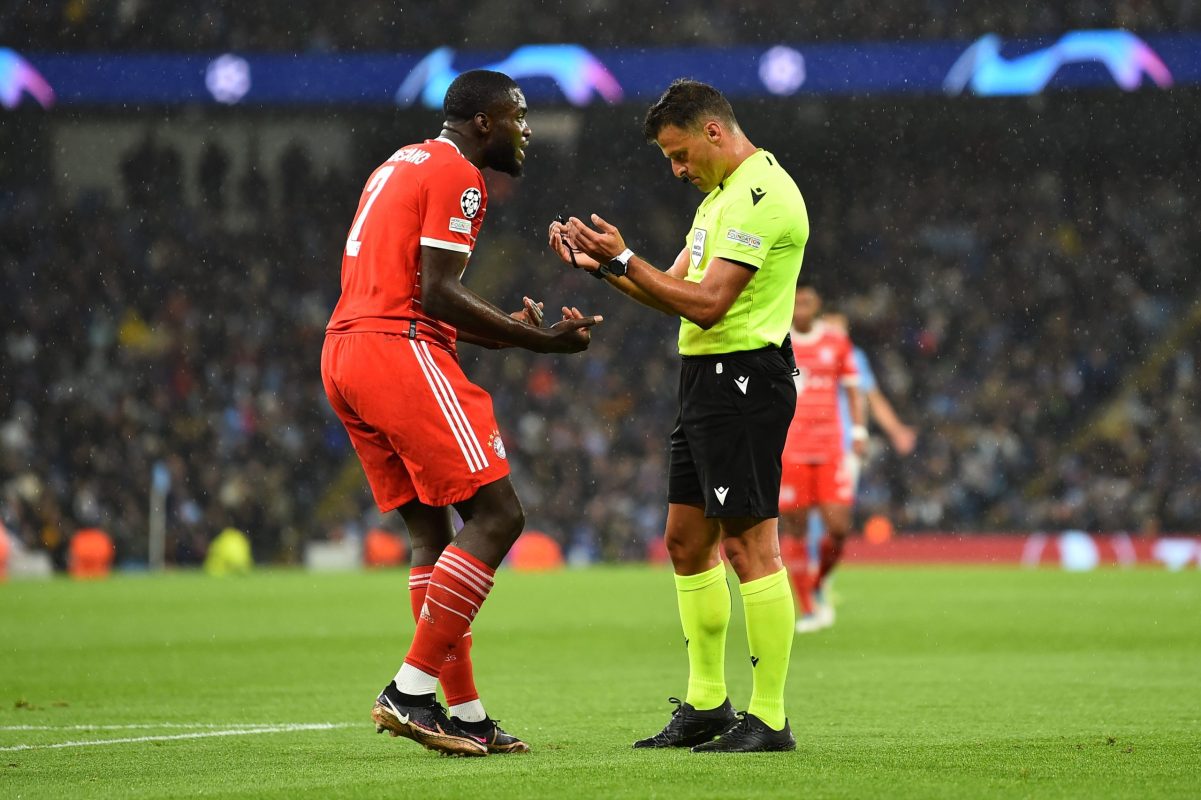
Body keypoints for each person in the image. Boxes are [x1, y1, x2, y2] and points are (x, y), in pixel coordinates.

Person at [321, 69, 601, 757]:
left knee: (431, 533)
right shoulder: (459, 174)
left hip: (346, 350)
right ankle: (410, 690)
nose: (525, 130)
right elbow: (437, 292)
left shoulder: (399, 162)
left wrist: (500, 330)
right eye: (518, 116)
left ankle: (466, 714)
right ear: (484, 122)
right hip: (397, 350)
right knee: (499, 516)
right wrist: (540, 341)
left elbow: (411, 288)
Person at [550, 78, 804, 753]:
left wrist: (623, 257)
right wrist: (602, 268)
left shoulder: (764, 194)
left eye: (680, 154)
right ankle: (706, 704)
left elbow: (710, 304)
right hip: (704, 380)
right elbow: (671, 291)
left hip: (745, 378)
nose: (677, 170)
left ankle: (770, 718)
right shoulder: (719, 199)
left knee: (749, 547)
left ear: (713, 131)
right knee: (686, 542)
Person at [784, 305, 915, 633]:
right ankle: (812, 591)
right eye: (833, 324)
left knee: (834, 522)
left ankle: (819, 581)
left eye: (842, 326)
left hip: (841, 449)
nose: (838, 330)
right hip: (802, 447)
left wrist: (890, 430)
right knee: (806, 521)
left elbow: (870, 397)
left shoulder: (852, 355)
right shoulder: (800, 348)